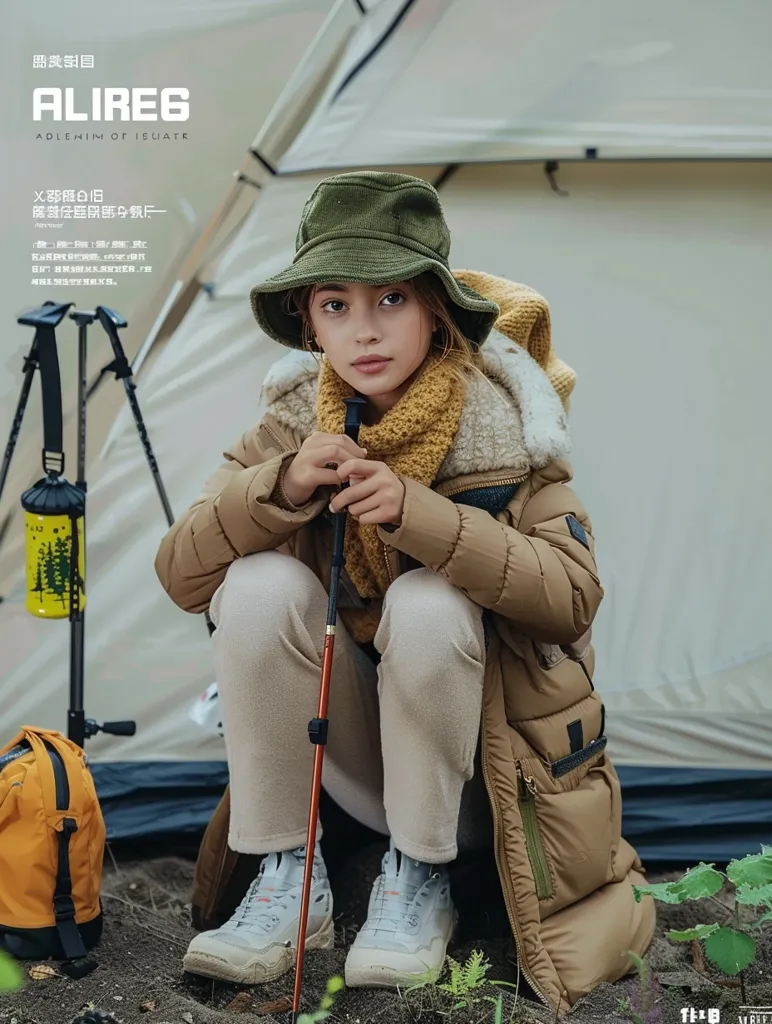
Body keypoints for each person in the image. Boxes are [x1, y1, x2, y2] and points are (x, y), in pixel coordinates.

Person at [154, 171, 655, 1012]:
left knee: (428, 602)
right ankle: (288, 878)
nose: (365, 330)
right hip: (353, 762)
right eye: (336, 304)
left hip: (482, 778)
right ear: (310, 324)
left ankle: (422, 881)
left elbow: (572, 600)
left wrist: (419, 518)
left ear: (435, 310)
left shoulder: (509, 433)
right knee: (257, 580)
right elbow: (180, 574)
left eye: (391, 299)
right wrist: (276, 487)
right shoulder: (291, 426)